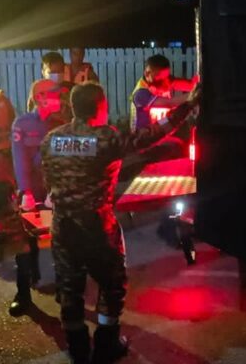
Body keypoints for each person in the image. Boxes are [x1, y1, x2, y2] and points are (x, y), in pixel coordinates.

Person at [41, 82, 201, 363]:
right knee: (112, 283)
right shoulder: (106, 138)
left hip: (62, 225)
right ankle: (107, 343)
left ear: (73, 107)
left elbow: (48, 177)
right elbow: (150, 135)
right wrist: (187, 104)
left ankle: (78, 348)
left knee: (69, 286)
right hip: (96, 226)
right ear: (100, 106)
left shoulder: (51, 139)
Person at [7, 79, 66, 316]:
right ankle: (23, 293)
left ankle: (64, 288)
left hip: (54, 190)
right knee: (24, 243)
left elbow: (63, 161)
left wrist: (56, 190)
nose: (58, 99)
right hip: (30, 191)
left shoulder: (62, 123)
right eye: (54, 94)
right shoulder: (22, 124)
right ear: (40, 97)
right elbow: (19, 159)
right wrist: (26, 191)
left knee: (60, 239)